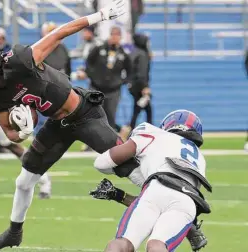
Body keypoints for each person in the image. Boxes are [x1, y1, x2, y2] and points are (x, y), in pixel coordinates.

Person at [0, 0, 140, 250]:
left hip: (84, 113)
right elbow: (10, 134)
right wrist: (22, 131)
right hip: (57, 125)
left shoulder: (18, 61)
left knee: (128, 167)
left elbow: (59, 32)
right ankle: (13, 233)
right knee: (23, 180)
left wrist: (99, 16)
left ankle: (178, 209)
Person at [92, 110, 212, 252]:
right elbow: (173, 192)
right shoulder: (199, 158)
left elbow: (101, 163)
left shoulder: (153, 133)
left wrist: (126, 169)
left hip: (156, 189)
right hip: (188, 203)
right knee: (157, 245)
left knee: (123, 242)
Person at [90, 178, 208, 252]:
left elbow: (106, 161)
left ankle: (191, 227)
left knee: (124, 242)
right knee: (156, 244)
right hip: (184, 195)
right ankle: (191, 227)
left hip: (163, 186)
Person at [85, 26, 131, 130]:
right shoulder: (99, 48)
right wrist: (92, 76)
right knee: (94, 116)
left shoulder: (123, 54)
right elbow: (88, 62)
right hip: (96, 88)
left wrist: (121, 82)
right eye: (112, 34)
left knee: (110, 117)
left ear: (120, 37)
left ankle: (109, 144)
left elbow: (130, 71)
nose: (114, 37)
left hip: (113, 91)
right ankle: (91, 144)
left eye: (117, 35)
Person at [122, 33, 153, 140]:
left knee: (140, 108)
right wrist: (145, 87)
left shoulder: (134, 53)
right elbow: (141, 73)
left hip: (133, 86)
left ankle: (131, 129)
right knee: (145, 109)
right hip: (139, 86)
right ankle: (133, 129)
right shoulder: (142, 54)